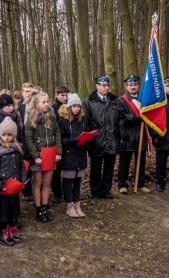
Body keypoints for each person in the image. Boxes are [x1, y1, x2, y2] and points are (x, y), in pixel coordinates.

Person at [82, 75, 120, 205]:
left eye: (108, 85)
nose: (106, 88)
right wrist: (89, 141)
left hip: (112, 139)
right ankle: (95, 192)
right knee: (96, 168)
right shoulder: (88, 102)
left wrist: (118, 138)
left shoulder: (115, 101)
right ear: (97, 86)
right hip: (96, 141)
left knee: (109, 167)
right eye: (103, 85)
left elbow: (120, 121)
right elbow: (85, 123)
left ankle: (106, 190)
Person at [25, 92, 62, 222]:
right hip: (38, 157)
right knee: (38, 183)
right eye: (43, 102)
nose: (47, 104)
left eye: (47, 101)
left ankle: (45, 206)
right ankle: (38, 208)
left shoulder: (52, 117)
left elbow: (57, 133)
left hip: (50, 155)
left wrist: (58, 152)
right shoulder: (31, 119)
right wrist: (35, 156)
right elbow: (28, 139)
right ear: (36, 104)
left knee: (47, 183)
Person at [0, 117, 26, 245]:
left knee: (12, 209)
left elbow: (21, 166)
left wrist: (23, 180)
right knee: (3, 211)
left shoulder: (17, 149)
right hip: (3, 187)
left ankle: (10, 230)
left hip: (14, 185)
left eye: (9, 135)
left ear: (13, 135)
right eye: (3, 134)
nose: (6, 137)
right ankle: (2, 232)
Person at [118, 75, 151, 194]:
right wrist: (135, 118)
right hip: (127, 136)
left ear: (138, 86)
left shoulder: (144, 100)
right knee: (124, 162)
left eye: (135, 84)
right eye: (130, 85)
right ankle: (122, 184)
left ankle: (140, 183)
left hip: (141, 135)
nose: (133, 87)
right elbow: (121, 117)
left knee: (141, 162)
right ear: (127, 86)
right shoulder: (121, 101)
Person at [58, 93, 87, 217]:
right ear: (69, 107)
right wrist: (73, 141)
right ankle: (69, 206)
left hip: (81, 154)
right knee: (69, 180)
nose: (76, 109)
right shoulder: (62, 121)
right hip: (69, 154)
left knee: (78, 180)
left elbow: (87, 132)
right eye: (74, 106)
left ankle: (77, 204)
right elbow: (60, 140)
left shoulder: (83, 119)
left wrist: (88, 139)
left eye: (78, 106)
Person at [51, 85, 70, 203]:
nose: (65, 97)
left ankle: (67, 191)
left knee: (67, 169)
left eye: (66, 95)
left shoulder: (71, 107)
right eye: (62, 95)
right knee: (55, 171)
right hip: (56, 142)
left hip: (67, 142)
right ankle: (57, 193)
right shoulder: (52, 109)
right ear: (56, 95)